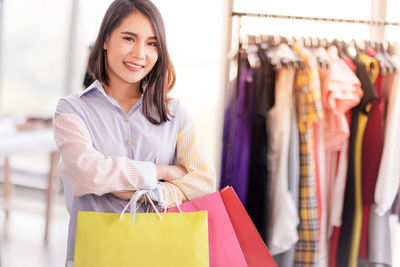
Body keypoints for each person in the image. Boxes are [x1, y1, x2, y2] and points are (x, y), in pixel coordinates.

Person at [53, 0, 216, 266]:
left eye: (152, 43)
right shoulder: (72, 110)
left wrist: (150, 194)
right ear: (105, 40)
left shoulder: (174, 112)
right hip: (95, 258)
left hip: (162, 256)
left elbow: (204, 183)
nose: (140, 53)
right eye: (129, 38)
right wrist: (162, 172)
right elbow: (87, 175)